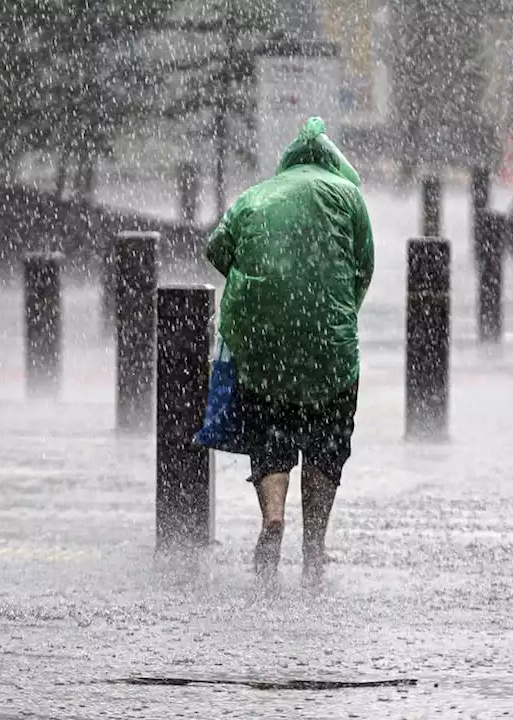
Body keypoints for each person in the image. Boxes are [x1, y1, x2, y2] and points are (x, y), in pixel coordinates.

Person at [204, 116, 374, 584]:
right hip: (329, 350)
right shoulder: (348, 196)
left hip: (264, 347)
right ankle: (314, 543)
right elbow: (364, 267)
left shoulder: (256, 196)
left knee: (271, 435)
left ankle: (273, 518)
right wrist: (334, 313)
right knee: (325, 440)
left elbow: (217, 250)